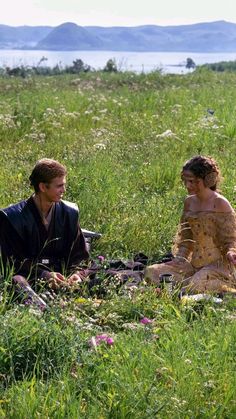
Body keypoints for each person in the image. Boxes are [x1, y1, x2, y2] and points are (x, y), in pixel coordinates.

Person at [144, 155, 236, 294]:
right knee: (151, 272)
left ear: (208, 179)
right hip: (194, 265)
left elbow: (231, 239)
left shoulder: (221, 203)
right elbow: (186, 238)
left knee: (195, 285)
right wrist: (179, 259)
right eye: (185, 181)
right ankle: (186, 287)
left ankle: (223, 286)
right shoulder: (189, 202)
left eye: (192, 181)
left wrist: (231, 252)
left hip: (217, 266)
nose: (188, 186)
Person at [0, 158, 89, 299]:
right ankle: (39, 307)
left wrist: (76, 274)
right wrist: (43, 274)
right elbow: (11, 261)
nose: (63, 190)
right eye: (59, 186)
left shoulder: (68, 213)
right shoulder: (13, 217)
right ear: (42, 187)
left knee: (115, 276)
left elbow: (79, 255)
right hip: (31, 277)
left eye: (64, 185)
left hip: (62, 278)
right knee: (17, 282)